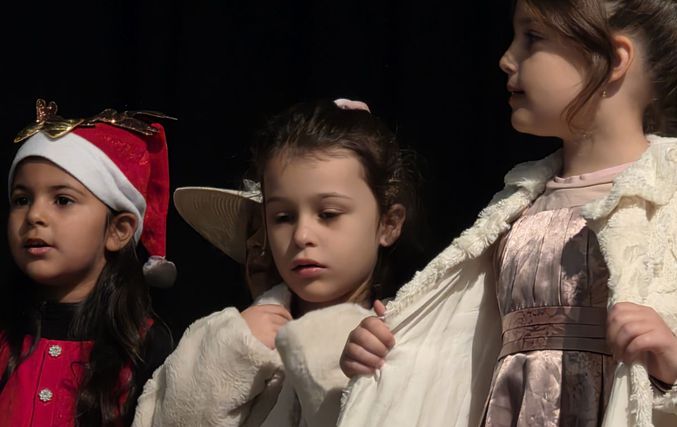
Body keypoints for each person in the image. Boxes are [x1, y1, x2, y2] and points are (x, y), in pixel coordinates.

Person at [338, 1, 677, 425]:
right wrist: (393, 347)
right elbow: (463, 347)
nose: (506, 58)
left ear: (613, 58)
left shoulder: (668, 197)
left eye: (532, 37)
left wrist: (670, 364)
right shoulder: (514, 206)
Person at [133, 98, 421, 426]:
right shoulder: (226, 335)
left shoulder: (402, 340)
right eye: (283, 217)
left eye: (328, 214)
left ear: (389, 224)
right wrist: (231, 350)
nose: (302, 235)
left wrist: (347, 381)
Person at [0, 100, 175, 426]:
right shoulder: (5, 336)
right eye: (21, 199)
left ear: (118, 230)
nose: (34, 215)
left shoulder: (146, 347)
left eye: (62, 200)